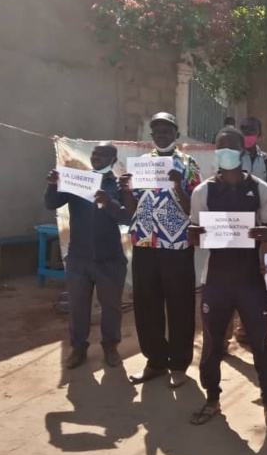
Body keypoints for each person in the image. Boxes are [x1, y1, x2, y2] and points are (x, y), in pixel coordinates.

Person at [186, 126, 267, 430]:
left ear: (243, 152)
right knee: (213, 344)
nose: (225, 152)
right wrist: (195, 236)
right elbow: (196, 236)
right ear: (215, 151)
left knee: (262, 343)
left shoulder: (261, 190)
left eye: (231, 147)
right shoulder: (203, 191)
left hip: (250, 281)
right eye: (220, 147)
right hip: (216, 279)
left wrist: (264, 234)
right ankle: (212, 399)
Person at [122, 112, 201, 388]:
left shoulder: (188, 164)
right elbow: (132, 210)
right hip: (144, 243)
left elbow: (195, 208)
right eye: (156, 131)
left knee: (179, 304)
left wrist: (178, 185)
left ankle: (179, 364)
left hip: (177, 245)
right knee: (146, 304)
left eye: (167, 130)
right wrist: (125, 190)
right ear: (151, 135)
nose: (161, 135)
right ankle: (155, 360)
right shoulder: (141, 165)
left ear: (176, 134)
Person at [46, 142, 130, 369]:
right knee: (78, 307)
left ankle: (110, 347)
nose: (97, 158)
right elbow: (51, 203)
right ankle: (78, 348)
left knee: (111, 307)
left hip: (109, 259)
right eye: (95, 154)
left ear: (113, 160)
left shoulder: (119, 185)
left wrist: (108, 201)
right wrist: (53, 185)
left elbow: (127, 218)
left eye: (103, 155)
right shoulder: (79, 181)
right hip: (79, 258)